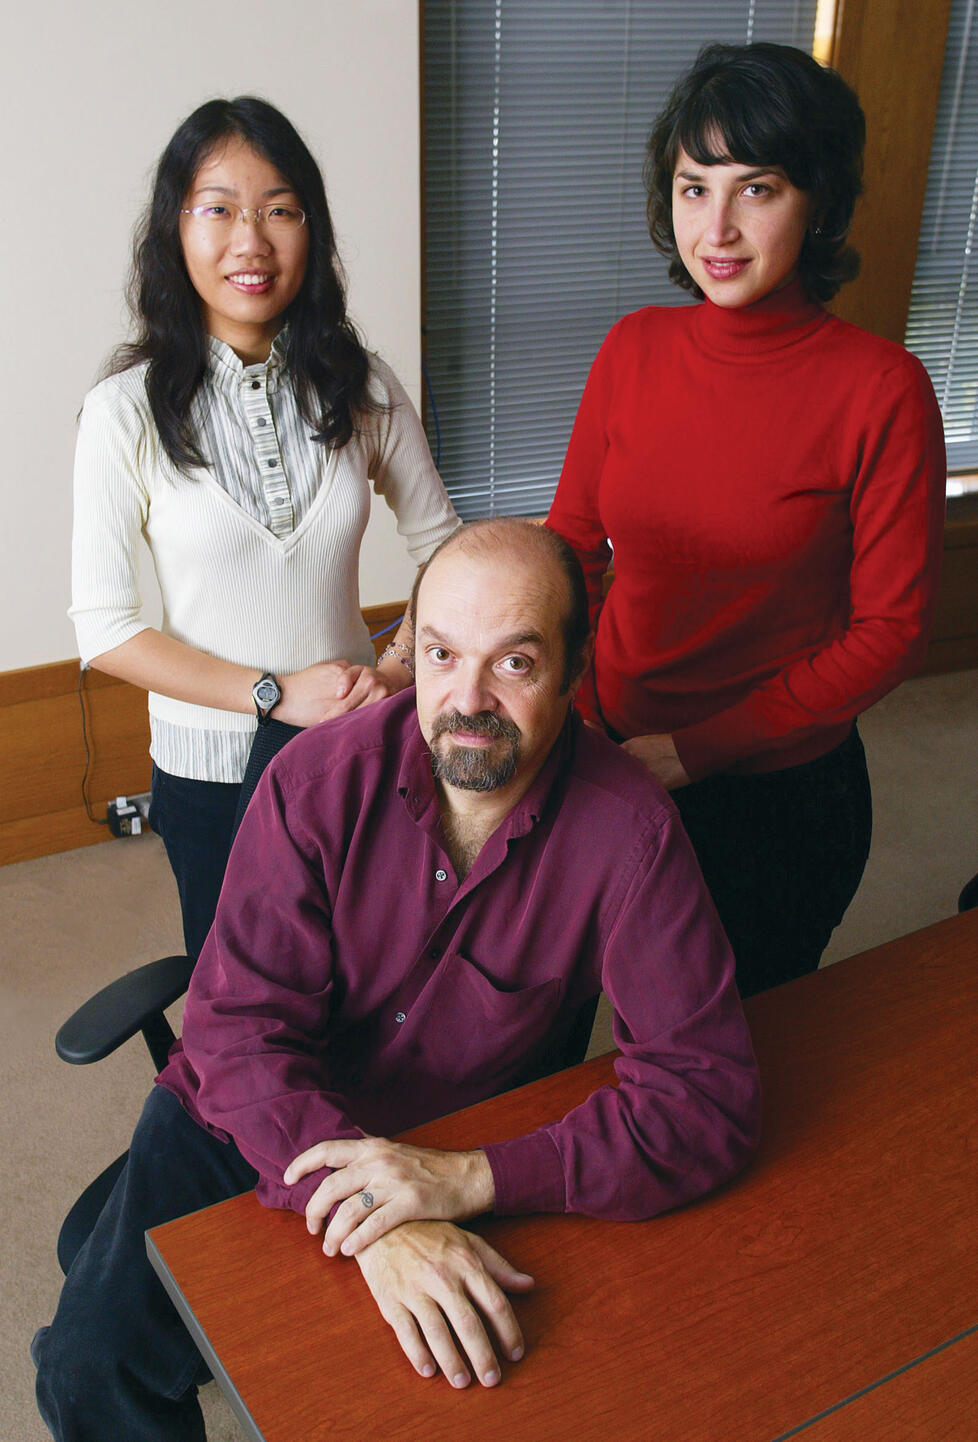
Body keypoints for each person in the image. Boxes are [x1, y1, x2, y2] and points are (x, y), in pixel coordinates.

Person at [35, 519, 760, 1440]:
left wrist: (470, 1177)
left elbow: (707, 1099)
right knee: (89, 1367)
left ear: (574, 669)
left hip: (448, 1139)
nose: (468, 698)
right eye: (441, 654)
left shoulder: (632, 832)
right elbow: (236, 1032)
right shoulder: (316, 780)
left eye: (516, 664)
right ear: (407, 648)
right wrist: (381, 1217)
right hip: (252, 1111)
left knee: (449, 1397)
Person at [546, 43, 946, 997]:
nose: (716, 228)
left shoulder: (881, 389)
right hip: (605, 749)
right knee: (564, 1016)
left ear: (817, 202)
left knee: (730, 1056)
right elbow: (571, 547)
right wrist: (575, 706)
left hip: (776, 791)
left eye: (755, 189)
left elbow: (889, 633)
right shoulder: (634, 347)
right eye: (693, 189)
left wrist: (689, 752)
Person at [69, 96, 459, 958]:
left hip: (359, 746)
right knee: (244, 1000)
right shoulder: (122, 411)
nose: (251, 241)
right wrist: (271, 694)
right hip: (210, 771)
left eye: (279, 210)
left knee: (376, 973)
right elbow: (104, 629)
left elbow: (448, 552)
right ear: (175, 229)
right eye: (219, 210)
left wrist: (394, 671)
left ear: (310, 230)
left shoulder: (363, 384)